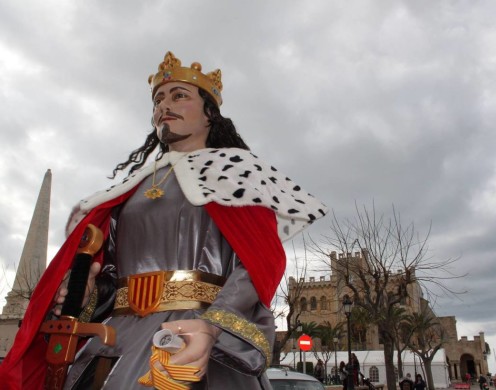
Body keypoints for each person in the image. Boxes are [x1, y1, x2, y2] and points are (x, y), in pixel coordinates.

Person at [0, 51, 327, 389]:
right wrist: (88, 294)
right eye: (158, 99)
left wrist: (214, 326)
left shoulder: (234, 174)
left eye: (179, 96)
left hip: (191, 335)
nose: (163, 105)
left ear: (209, 116)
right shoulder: (130, 189)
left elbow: (258, 263)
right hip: (117, 340)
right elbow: (112, 273)